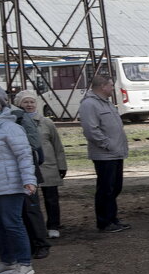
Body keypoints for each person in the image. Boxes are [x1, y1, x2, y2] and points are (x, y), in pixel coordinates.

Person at [0, 87, 37, 274]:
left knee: (12, 224)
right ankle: (7, 261)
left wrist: (29, 179)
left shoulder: (10, 127)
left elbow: (24, 155)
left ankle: (24, 263)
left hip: (8, 184)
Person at [78, 72, 130, 233]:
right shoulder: (89, 105)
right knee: (106, 189)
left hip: (115, 153)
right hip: (104, 154)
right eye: (111, 85)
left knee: (115, 187)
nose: (113, 88)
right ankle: (104, 222)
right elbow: (91, 130)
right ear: (102, 86)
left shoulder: (106, 103)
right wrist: (108, 145)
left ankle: (112, 218)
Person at [7, 89, 51, 258]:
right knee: (13, 211)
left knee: (30, 208)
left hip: (25, 168)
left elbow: (35, 143)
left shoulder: (18, 116)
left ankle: (40, 244)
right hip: (2, 172)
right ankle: (24, 245)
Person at [17, 90, 67, 239]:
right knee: (31, 201)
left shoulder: (47, 122)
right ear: (19, 104)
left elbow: (57, 145)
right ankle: (34, 229)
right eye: (25, 102)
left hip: (48, 166)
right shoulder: (15, 122)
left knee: (51, 198)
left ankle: (53, 225)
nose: (29, 105)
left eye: (32, 102)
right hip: (28, 167)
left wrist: (62, 165)